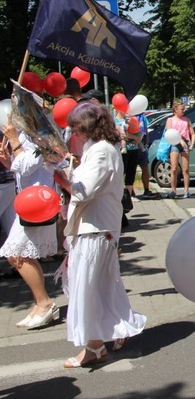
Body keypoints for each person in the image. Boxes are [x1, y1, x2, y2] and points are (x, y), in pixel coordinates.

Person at [53, 102, 146, 368]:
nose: (74, 134)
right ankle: (115, 332)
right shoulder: (97, 149)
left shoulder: (102, 151)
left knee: (89, 288)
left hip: (97, 229)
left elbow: (84, 191)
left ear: (88, 127)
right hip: (95, 227)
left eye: (76, 128)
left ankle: (94, 346)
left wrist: (62, 179)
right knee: (100, 286)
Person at [0, 123, 59, 329]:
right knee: (22, 253)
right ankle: (39, 303)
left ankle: (44, 302)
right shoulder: (29, 134)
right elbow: (24, 170)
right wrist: (9, 162)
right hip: (29, 202)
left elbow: (28, 164)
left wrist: (15, 141)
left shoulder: (39, 134)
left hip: (38, 202)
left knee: (16, 253)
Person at [165, 102, 195, 199]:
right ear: (175, 110)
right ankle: (173, 190)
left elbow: (193, 133)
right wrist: (180, 140)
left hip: (185, 143)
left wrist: (192, 144)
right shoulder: (170, 120)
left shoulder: (186, 120)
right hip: (175, 143)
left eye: (184, 109)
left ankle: (186, 190)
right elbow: (170, 132)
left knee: (185, 169)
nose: (183, 111)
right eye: (181, 109)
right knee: (174, 168)